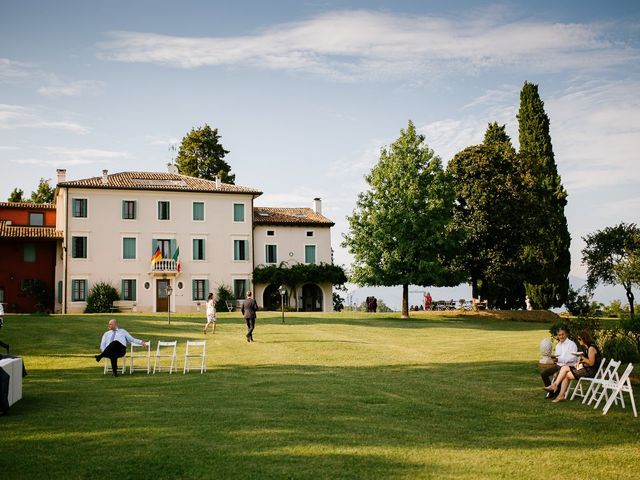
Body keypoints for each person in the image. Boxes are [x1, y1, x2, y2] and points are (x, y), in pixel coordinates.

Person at [544, 330, 602, 403]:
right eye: (578, 339)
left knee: (566, 374)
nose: (579, 340)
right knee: (565, 369)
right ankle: (556, 387)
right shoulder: (588, 348)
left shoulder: (591, 348)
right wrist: (580, 362)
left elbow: (591, 363)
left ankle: (559, 393)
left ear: (584, 338)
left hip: (591, 372)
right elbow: (588, 361)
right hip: (586, 368)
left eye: (580, 339)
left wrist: (581, 356)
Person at [540, 327, 578, 399]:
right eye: (559, 335)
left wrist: (559, 359)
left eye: (562, 334)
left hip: (568, 366)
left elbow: (573, 358)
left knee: (558, 374)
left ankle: (556, 394)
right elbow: (557, 357)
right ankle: (551, 392)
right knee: (544, 373)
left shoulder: (571, 344)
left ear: (566, 334)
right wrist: (554, 359)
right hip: (558, 364)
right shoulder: (558, 345)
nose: (561, 336)